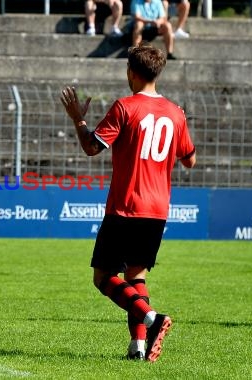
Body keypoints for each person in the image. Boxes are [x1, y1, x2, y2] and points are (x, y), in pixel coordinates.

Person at [60, 44, 196, 361]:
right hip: (158, 210)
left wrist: (79, 119)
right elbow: (190, 160)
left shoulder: (125, 107)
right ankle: (137, 347)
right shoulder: (175, 113)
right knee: (136, 277)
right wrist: (182, 125)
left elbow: (92, 148)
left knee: (104, 278)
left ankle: (153, 320)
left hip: (126, 207)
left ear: (131, 73)